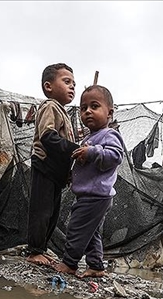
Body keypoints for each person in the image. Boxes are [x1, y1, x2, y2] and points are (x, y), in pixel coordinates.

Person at [52, 85, 124, 278]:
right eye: (84, 108)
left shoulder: (109, 135)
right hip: (89, 194)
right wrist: (73, 174)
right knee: (91, 233)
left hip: (96, 195)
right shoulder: (89, 137)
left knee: (76, 227)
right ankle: (96, 266)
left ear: (109, 112)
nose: (88, 111)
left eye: (94, 106)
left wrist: (92, 151)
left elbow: (116, 156)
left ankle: (70, 263)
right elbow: (86, 165)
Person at [26, 63, 80, 266]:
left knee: (53, 213)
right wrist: (75, 148)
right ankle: (34, 251)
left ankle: (42, 248)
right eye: (67, 82)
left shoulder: (64, 113)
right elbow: (48, 137)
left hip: (57, 173)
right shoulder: (50, 106)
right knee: (41, 211)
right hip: (44, 166)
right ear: (49, 87)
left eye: (74, 84)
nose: (72, 87)